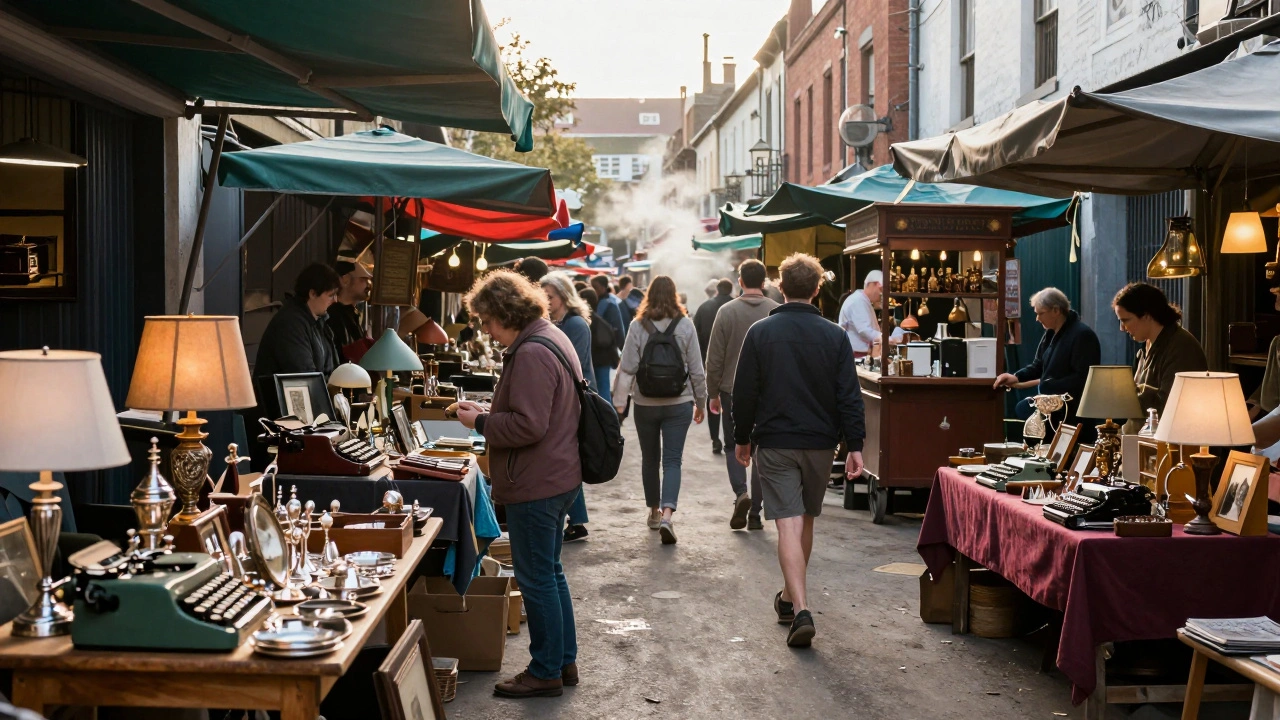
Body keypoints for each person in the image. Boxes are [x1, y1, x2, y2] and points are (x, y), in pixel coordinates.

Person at [454, 270, 582, 699]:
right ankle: (563, 661)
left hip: (537, 481)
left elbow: (529, 425)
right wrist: (491, 408)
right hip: (556, 475)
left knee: (537, 578)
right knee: (550, 572)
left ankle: (545, 669)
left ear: (505, 313)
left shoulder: (530, 352)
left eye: (488, 321)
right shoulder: (549, 336)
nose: (487, 331)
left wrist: (482, 421)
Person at [732, 253, 865, 648]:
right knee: (805, 520)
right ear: (817, 289)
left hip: (774, 441)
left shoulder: (759, 333)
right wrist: (854, 445)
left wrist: (743, 437)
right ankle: (789, 600)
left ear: (781, 288)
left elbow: (744, 392)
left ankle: (799, 605)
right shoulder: (835, 336)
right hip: (821, 443)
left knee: (788, 523)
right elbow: (849, 396)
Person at [612, 275, 707, 545]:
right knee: (673, 460)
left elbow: (627, 368)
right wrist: (701, 402)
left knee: (650, 459)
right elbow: (697, 370)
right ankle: (668, 515)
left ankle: (653, 512)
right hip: (679, 403)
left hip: (645, 403)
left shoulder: (638, 325)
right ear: (674, 295)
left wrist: (620, 405)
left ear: (648, 296)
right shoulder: (685, 324)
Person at [705, 260, 778, 530]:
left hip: (731, 390)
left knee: (732, 445)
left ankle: (741, 494)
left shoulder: (726, 312)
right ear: (764, 282)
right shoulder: (776, 311)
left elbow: (715, 358)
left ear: (740, 280)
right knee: (760, 450)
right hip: (768, 393)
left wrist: (712, 393)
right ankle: (756, 513)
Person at [992, 288, 1101, 433]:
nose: (1037, 318)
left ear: (1056, 310)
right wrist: (1016, 376)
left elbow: (1083, 378)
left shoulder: (1082, 335)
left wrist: (1048, 388)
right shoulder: (1050, 333)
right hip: (1053, 413)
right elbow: (1038, 366)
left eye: (1040, 313)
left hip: (1072, 417)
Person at [541, 272, 597, 545]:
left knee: (568, 460)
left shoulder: (575, 324)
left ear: (563, 295)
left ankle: (576, 520)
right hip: (565, 399)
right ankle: (575, 520)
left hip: (575, 401)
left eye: (549, 296)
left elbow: (571, 367)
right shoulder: (558, 323)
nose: (546, 301)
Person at [1112, 282, 1208, 426]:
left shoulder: (1181, 347)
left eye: (1125, 320)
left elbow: (1169, 407)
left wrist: (1126, 393)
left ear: (1147, 315)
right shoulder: (1146, 347)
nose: (1122, 328)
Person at [694, 278, 735, 454]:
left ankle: (715, 439)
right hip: (732, 362)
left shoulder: (704, 308)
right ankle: (729, 438)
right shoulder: (736, 307)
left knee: (713, 396)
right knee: (730, 401)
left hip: (708, 361)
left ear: (717, 290)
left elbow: (695, 337)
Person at [838, 270, 893, 358]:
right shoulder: (857, 301)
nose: (881, 294)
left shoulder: (864, 300)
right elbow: (864, 330)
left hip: (862, 353)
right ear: (873, 284)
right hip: (855, 354)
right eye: (881, 289)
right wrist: (886, 339)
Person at [326, 259, 373, 362]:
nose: (368, 284)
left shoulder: (351, 314)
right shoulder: (332, 315)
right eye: (362, 279)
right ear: (345, 280)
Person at [589, 276, 627, 401]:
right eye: (592, 287)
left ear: (604, 287)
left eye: (596, 287)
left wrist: (619, 351)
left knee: (603, 389)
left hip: (604, 354)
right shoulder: (598, 302)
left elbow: (619, 329)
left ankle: (607, 417)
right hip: (596, 354)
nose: (594, 289)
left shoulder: (610, 303)